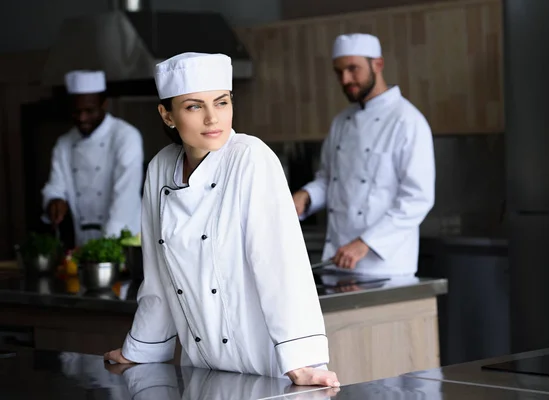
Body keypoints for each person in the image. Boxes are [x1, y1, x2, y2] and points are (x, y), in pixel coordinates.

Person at [104, 53, 339, 388]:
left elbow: (280, 266)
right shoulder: (159, 168)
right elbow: (158, 276)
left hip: (268, 364)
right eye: (194, 106)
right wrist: (141, 348)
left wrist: (300, 361)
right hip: (204, 367)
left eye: (222, 102)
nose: (213, 118)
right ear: (167, 115)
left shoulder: (250, 158)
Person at [293, 33, 435, 277]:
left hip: (384, 266)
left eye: (353, 69)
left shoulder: (407, 121)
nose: (346, 79)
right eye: (339, 72)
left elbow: (417, 198)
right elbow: (329, 179)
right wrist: (305, 197)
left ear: (377, 65)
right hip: (336, 260)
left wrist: (365, 243)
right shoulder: (341, 122)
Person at [41, 70, 144, 246]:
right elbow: (56, 185)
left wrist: (105, 248)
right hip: (83, 240)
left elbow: (125, 197)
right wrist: (54, 200)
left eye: (89, 111)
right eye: (76, 112)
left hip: (125, 239)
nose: (82, 118)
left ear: (104, 104)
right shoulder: (64, 143)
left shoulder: (125, 137)